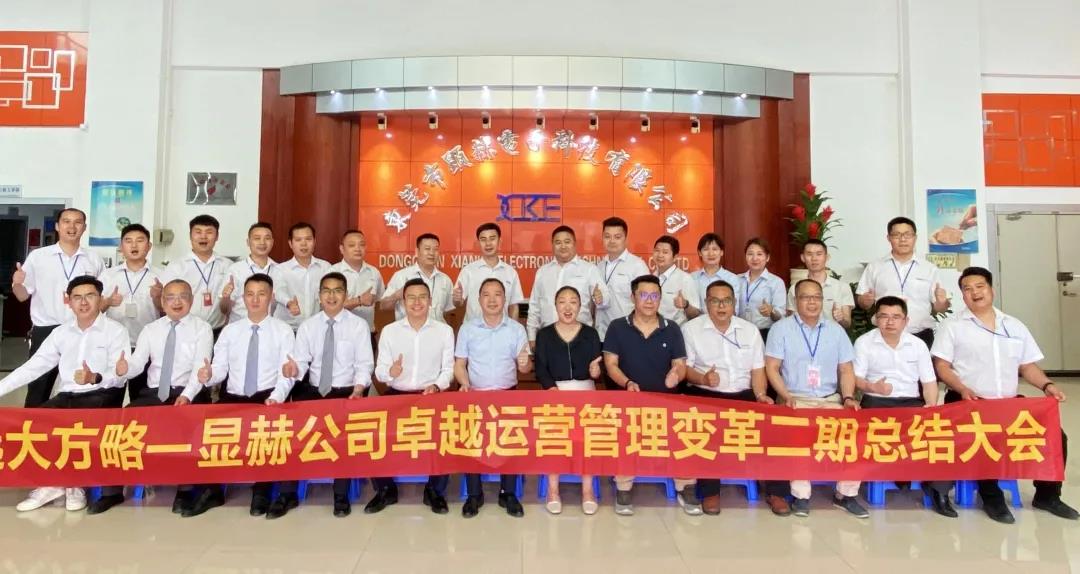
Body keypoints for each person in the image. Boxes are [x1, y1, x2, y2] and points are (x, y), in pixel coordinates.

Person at [931, 267, 1078, 523]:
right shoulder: (952, 326)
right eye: (967, 289)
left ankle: (1047, 495)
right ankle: (992, 497)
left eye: (980, 286)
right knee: (984, 436)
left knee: (1055, 435)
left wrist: (1047, 385)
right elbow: (941, 366)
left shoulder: (1013, 325)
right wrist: (962, 388)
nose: (975, 292)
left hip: (1008, 404)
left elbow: (1027, 366)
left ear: (991, 290)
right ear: (962, 295)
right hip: (968, 402)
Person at [0, 276, 128, 513]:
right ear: (68, 301)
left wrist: (94, 377)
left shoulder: (116, 331)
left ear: (100, 299)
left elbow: (120, 376)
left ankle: (74, 484)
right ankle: (53, 483)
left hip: (101, 394)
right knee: (32, 424)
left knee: (77, 426)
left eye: (90, 296)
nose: (83, 302)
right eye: (77, 297)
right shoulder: (61, 333)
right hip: (67, 395)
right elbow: (34, 366)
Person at [178, 273, 295, 518]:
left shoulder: (283, 331)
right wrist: (208, 375)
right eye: (250, 294)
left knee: (268, 436)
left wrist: (277, 397)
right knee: (205, 433)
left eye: (261, 294)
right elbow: (220, 369)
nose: (255, 300)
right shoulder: (231, 331)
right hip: (233, 397)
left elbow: (287, 373)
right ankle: (212, 490)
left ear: (271, 297)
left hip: (267, 397)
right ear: (243, 297)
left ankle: (262, 490)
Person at [95, 279, 214, 515]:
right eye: (170, 297)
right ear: (162, 301)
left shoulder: (202, 329)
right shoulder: (151, 330)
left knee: (185, 424)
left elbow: (200, 368)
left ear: (191, 300)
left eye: (182, 296)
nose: (176, 302)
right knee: (120, 424)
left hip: (188, 392)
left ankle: (185, 490)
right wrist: (124, 369)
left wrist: (187, 395)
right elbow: (138, 363)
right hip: (154, 393)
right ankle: (111, 491)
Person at [268, 272, 374, 518]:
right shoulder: (308, 326)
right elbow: (299, 365)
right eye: (326, 290)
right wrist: (285, 383)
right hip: (314, 393)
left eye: (337, 291)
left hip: (345, 393)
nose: (331, 296)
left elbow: (364, 365)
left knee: (342, 437)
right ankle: (287, 494)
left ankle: (340, 495)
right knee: (292, 434)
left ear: (345, 295)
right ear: (319, 295)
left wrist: (359, 389)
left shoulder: (358, 326)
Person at [681, 280, 788, 515]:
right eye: (715, 301)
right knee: (705, 432)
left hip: (744, 395)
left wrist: (761, 395)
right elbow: (684, 369)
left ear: (734, 303)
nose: (721, 306)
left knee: (772, 430)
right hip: (705, 395)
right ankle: (710, 491)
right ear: (706, 303)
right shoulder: (691, 329)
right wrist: (702, 379)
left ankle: (776, 492)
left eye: (726, 301)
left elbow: (757, 370)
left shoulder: (749, 330)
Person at [764, 279, 868, 518]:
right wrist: (785, 396)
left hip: (830, 400)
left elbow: (846, 369)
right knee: (798, 437)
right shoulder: (781, 329)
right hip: (795, 399)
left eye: (816, 297)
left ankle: (845, 494)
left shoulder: (836, 330)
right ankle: (801, 496)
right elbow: (772, 367)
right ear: (795, 300)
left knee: (854, 435)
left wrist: (848, 397)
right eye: (805, 297)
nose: (812, 302)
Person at [602, 275, 693, 516]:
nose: (650, 301)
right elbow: (610, 364)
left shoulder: (671, 328)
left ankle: (685, 486)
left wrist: (676, 373)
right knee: (624, 430)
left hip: (665, 404)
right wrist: (627, 382)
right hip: (629, 402)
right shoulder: (617, 327)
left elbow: (680, 364)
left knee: (684, 429)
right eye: (644, 295)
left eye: (655, 296)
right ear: (633, 297)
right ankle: (623, 487)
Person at [852, 295, 950, 517]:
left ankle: (939, 492)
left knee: (938, 436)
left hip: (911, 403)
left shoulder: (918, 345)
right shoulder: (864, 342)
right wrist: (872, 387)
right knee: (880, 434)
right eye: (884, 316)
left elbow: (929, 382)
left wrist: (931, 406)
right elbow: (855, 378)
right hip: (876, 402)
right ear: (875, 319)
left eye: (896, 317)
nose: (890, 322)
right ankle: (897, 474)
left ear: (906, 320)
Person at [365, 278, 455, 515]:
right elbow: (379, 371)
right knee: (374, 432)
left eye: (422, 297)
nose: (417, 302)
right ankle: (385, 489)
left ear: (430, 301)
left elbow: (448, 370)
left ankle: (434, 491)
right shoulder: (390, 331)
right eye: (411, 298)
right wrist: (391, 372)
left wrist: (436, 386)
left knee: (446, 432)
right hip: (397, 396)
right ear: (403, 302)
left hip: (430, 395)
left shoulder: (444, 331)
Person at [10, 207, 105, 407]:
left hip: (82, 330)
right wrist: (17, 283)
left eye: (77, 222)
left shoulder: (94, 259)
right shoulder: (38, 257)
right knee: (39, 389)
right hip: (46, 330)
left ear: (84, 227)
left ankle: (75, 425)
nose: (72, 227)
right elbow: (22, 296)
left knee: (82, 388)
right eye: (66, 221)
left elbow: (101, 300)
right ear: (57, 226)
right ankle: (34, 425)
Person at [454, 278, 531, 518]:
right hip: (476, 395)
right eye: (486, 295)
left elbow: (525, 368)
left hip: (507, 395)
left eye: (497, 294)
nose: (492, 299)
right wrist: (464, 383)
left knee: (509, 443)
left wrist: (524, 363)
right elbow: (459, 364)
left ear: (504, 299)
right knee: (472, 443)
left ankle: (508, 493)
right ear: (479, 300)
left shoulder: (516, 329)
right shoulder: (468, 329)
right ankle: (474, 495)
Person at [534, 285, 603, 515]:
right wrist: (551, 389)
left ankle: (587, 491)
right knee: (554, 441)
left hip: (586, 394)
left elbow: (597, 369)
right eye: (562, 301)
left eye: (573, 301)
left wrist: (595, 372)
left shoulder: (590, 334)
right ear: (555, 306)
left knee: (587, 442)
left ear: (580, 306)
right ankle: (553, 490)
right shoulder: (544, 335)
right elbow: (540, 368)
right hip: (555, 394)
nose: (567, 306)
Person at [856, 217, 950, 349]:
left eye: (907, 234)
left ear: (915, 238)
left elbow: (940, 307)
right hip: (884, 335)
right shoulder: (875, 267)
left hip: (920, 336)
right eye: (897, 235)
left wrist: (941, 303)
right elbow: (862, 302)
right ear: (888, 238)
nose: (903, 239)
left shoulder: (929, 269)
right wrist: (865, 301)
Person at [100, 223, 164, 403]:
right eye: (128, 241)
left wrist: (158, 298)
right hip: (115, 345)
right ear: (121, 247)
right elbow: (95, 310)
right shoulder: (108, 276)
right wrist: (108, 302)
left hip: (147, 346)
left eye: (140, 241)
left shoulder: (161, 275)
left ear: (149, 246)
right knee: (110, 397)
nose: (134, 245)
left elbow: (168, 313)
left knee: (141, 398)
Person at [527, 226, 609, 346]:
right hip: (548, 337)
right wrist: (531, 336)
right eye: (558, 242)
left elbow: (605, 298)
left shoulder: (589, 269)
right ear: (552, 245)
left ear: (574, 244)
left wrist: (601, 298)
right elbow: (534, 307)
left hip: (580, 338)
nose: (563, 246)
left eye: (567, 242)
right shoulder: (543, 272)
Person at [159, 215, 232, 335]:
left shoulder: (227, 265)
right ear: (190, 236)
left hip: (218, 331)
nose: (203, 236)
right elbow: (165, 299)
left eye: (209, 232)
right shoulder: (176, 266)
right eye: (198, 232)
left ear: (217, 236)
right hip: (185, 331)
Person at [453, 222, 525, 323]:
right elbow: (458, 303)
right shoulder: (468, 270)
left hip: (502, 329)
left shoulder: (510, 272)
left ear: (499, 241)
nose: (488, 243)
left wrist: (514, 328)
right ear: (478, 243)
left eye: (492, 238)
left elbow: (514, 306)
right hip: (474, 329)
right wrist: (457, 299)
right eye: (483, 239)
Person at [224, 222, 294, 324]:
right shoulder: (235, 270)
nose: (262, 242)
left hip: (269, 328)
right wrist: (225, 298)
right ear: (248, 242)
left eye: (267, 238)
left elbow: (283, 301)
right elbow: (224, 310)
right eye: (257, 238)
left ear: (272, 242)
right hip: (240, 327)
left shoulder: (279, 270)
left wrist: (290, 304)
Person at [594, 217, 649, 340]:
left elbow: (646, 301)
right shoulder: (599, 266)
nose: (612, 241)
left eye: (617, 237)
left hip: (628, 334)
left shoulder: (637, 265)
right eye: (607, 236)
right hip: (601, 334)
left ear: (626, 239)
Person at [381, 233, 454, 323]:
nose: (432, 253)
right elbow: (383, 306)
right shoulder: (401, 276)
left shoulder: (445, 280)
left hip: (438, 330)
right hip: (408, 330)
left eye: (435, 249)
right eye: (427, 249)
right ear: (417, 251)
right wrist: (397, 295)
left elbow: (448, 311)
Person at [328, 229, 384, 342]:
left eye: (361, 245)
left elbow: (379, 303)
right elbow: (329, 307)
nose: (358, 249)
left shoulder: (374, 272)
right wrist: (359, 300)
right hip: (340, 334)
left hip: (367, 334)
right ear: (342, 249)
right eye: (352, 245)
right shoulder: (332, 272)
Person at [786, 239, 853, 329]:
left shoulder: (842, 287)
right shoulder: (795, 288)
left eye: (819, 254)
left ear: (827, 257)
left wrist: (841, 319)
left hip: (833, 335)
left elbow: (847, 324)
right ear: (802, 258)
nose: (814, 259)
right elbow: (790, 321)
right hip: (804, 336)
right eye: (809, 254)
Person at [276, 222, 331, 329]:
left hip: (315, 328)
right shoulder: (281, 269)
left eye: (308, 239)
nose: (304, 244)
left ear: (315, 241)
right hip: (288, 328)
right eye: (298, 240)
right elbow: (279, 291)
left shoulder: (325, 267)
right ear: (290, 244)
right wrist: (289, 303)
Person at [738, 237, 786, 341]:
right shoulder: (737, 280)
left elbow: (781, 315)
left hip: (765, 334)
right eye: (750, 254)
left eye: (759, 254)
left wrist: (771, 311)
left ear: (767, 257)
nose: (754, 258)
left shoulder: (776, 282)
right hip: (740, 332)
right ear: (745, 257)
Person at [652, 235, 700, 325]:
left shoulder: (685, 279)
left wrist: (686, 305)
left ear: (675, 257)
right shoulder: (651, 278)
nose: (660, 255)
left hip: (675, 330)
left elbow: (696, 314)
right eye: (657, 251)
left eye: (665, 252)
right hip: (652, 329)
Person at [690, 232, 740, 316]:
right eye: (706, 249)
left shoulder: (732, 279)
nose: (711, 253)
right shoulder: (691, 278)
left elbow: (734, 311)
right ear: (699, 253)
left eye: (715, 249)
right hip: (698, 323)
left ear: (721, 252)